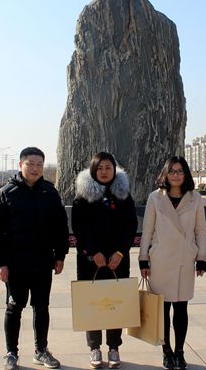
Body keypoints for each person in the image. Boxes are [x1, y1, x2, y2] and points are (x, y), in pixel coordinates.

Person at [0, 147, 69, 370]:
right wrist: (0, 263)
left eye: (39, 164)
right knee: (14, 308)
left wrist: (60, 255)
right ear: (20, 165)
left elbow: (61, 226)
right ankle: (11, 353)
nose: (35, 168)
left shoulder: (49, 192)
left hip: (43, 262)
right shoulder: (6, 193)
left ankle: (41, 350)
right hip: (16, 264)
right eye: (30, 164)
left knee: (42, 308)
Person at [139, 156, 206, 370]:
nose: (176, 175)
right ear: (165, 174)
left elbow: (201, 230)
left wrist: (201, 258)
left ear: (185, 174)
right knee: (163, 309)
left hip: (184, 259)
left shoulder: (195, 198)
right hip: (160, 260)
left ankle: (179, 351)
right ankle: (166, 351)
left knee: (181, 308)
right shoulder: (155, 198)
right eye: (172, 171)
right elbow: (147, 230)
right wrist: (143, 259)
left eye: (180, 171)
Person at [72, 152, 138, 369]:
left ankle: (114, 347)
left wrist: (120, 252)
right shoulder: (83, 196)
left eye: (108, 167)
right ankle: (94, 347)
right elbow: (79, 227)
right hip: (91, 260)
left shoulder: (123, 195)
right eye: (99, 168)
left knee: (115, 303)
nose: (104, 171)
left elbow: (131, 225)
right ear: (93, 170)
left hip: (117, 260)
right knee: (93, 302)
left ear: (114, 170)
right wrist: (94, 252)